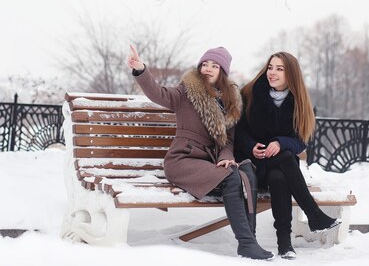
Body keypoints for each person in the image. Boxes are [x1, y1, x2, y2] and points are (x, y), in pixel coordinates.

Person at [127, 45, 274, 260]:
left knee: (245, 171)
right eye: (205, 64)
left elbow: (228, 140)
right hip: (182, 160)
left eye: (215, 65)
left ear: (222, 71)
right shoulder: (186, 91)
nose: (208, 68)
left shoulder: (230, 101)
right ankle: (247, 244)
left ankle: (249, 241)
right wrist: (141, 69)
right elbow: (159, 94)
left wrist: (226, 158)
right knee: (233, 176)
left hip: (209, 165)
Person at [233, 52, 341, 260]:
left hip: (279, 169)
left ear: (290, 74)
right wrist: (251, 147)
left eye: (279, 69)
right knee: (286, 159)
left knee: (280, 175)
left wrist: (280, 142)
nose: (272, 73)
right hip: (252, 164)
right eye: (270, 67)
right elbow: (238, 132)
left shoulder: (298, 101)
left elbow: (301, 140)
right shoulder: (250, 93)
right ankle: (314, 214)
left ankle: (285, 243)